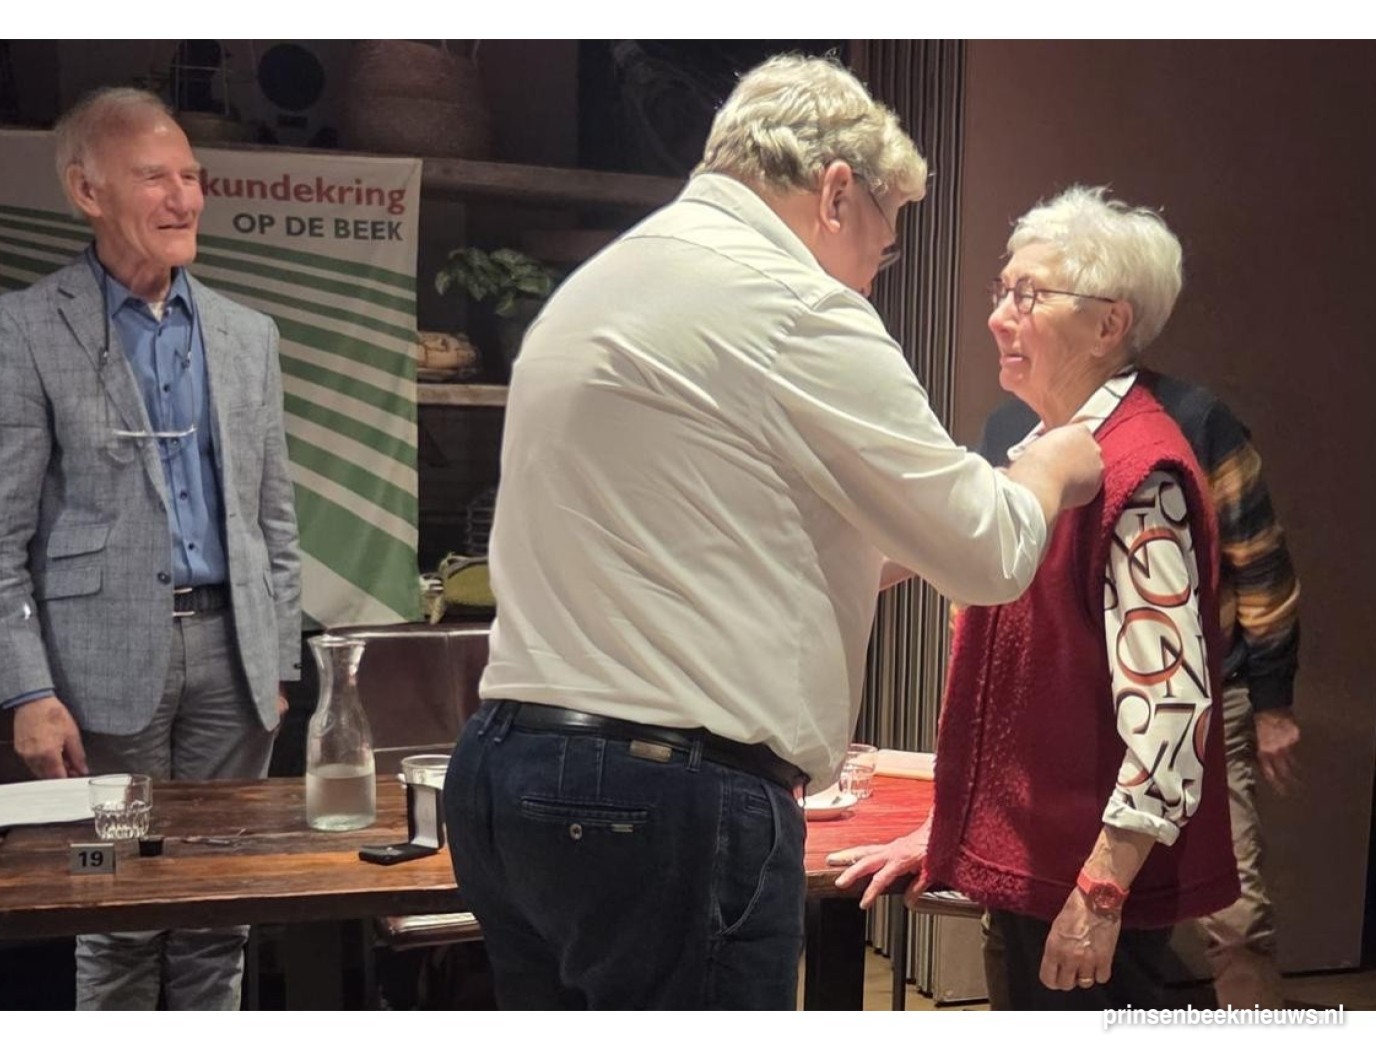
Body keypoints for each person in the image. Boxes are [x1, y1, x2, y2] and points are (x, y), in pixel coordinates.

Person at [442, 54, 1103, 1010]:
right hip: (656, 793)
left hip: (507, 773)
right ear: (836, 195)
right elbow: (990, 551)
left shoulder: (606, 281)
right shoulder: (795, 304)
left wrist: (906, 541)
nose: (873, 281)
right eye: (883, 244)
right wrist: (1048, 468)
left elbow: (718, 542)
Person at [831, 186, 1240, 1009]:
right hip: (1037, 871)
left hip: (1080, 883)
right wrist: (952, 829)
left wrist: (1100, 894)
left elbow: (1172, 711)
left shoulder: (1139, 473)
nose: (998, 318)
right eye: (1002, 290)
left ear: (1109, 324)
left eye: (1028, 295)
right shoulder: (1044, 453)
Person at [0, 87, 301, 1010]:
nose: (184, 198)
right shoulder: (20, 331)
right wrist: (28, 691)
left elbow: (273, 519)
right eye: (155, 177)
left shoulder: (248, 336)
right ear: (88, 191)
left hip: (234, 670)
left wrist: (276, 660)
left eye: (191, 176)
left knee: (219, 909)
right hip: (100, 670)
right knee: (115, 905)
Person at [978, 372, 1300, 1009]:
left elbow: (1260, 562)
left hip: (1196, 703)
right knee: (1012, 902)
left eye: (1028, 309)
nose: (1002, 324)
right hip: (1060, 719)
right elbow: (991, 580)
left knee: (1235, 919)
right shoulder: (1009, 428)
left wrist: (1272, 703)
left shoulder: (1191, 421)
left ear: (1110, 325)